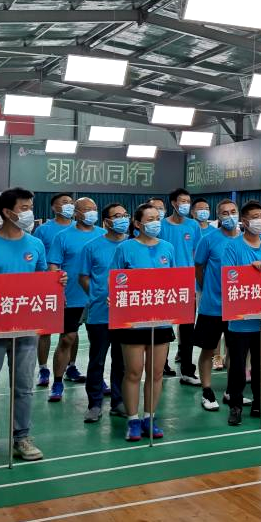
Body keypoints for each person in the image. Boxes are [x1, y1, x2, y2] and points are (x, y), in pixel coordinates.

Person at [0, 187, 61, 469]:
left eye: (30, 207)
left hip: (26, 329)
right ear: (7, 212)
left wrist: (57, 282)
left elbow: (41, 281)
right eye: (24, 208)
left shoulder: (36, 245)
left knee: (24, 388)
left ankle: (22, 438)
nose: (29, 213)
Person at [109, 205, 176, 442]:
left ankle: (150, 417)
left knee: (156, 372)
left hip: (161, 321)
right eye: (150, 219)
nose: (155, 222)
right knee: (134, 371)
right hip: (132, 321)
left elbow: (175, 281)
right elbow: (114, 281)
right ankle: (133, 420)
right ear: (137, 224)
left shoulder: (168, 248)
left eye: (158, 218)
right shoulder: (124, 248)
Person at [220, 200, 261, 425]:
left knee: (260, 364)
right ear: (245, 222)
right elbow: (228, 277)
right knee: (238, 365)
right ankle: (235, 405)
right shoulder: (233, 247)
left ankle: (260, 404)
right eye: (255, 217)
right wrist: (249, 270)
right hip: (240, 320)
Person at [75, 202, 129, 423]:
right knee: (97, 360)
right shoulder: (91, 247)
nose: (122, 219)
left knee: (121, 360)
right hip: (99, 314)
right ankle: (94, 404)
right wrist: (98, 294)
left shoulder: (132, 245)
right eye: (117, 216)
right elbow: (83, 277)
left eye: (125, 214)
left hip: (125, 315)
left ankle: (119, 401)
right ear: (106, 222)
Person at [45, 196, 101, 402]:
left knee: (99, 342)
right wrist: (57, 290)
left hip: (98, 299)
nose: (91, 212)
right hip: (71, 297)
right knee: (67, 339)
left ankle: (97, 379)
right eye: (86, 209)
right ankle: (57, 381)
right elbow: (53, 265)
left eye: (94, 208)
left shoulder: (103, 235)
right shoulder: (62, 237)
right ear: (76, 213)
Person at [192, 198, 240, 412]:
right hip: (212, 306)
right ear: (218, 217)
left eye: (233, 211)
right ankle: (207, 390)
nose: (230, 216)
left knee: (236, 351)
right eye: (225, 213)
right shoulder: (208, 240)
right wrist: (208, 289)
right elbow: (198, 267)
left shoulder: (246, 239)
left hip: (238, 307)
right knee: (208, 350)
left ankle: (232, 390)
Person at [158, 188, 202, 385]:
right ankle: (161, 365)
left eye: (188, 201)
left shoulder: (193, 225)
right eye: (182, 201)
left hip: (187, 284)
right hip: (165, 284)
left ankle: (187, 370)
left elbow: (197, 254)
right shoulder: (161, 225)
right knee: (163, 326)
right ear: (173, 203)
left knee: (187, 329)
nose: (185, 204)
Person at [33, 192, 75, 389]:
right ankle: (43, 368)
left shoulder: (78, 228)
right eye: (64, 202)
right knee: (46, 331)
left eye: (71, 202)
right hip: (48, 287)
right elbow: (36, 256)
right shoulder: (43, 230)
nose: (69, 205)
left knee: (71, 332)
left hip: (74, 288)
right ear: (54, 207)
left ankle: (71, 366)